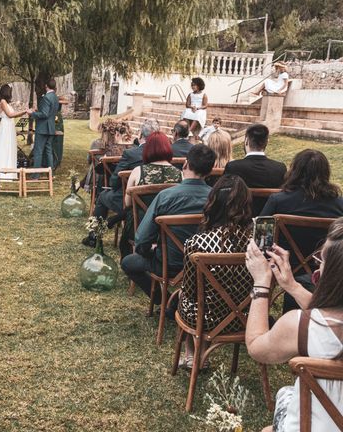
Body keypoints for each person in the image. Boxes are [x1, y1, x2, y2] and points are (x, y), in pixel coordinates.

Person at [245, 218, 343, 432]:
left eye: (323, 260)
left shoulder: (301, 326)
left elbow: (256, 347)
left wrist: (261, 283)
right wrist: (292, 286)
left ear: (335, 272)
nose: (319, 264)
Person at [121, 144, 216, 302]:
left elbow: (142, 238)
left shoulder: (165, 196)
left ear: (185, 164)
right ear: (210, 171)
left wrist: (148, 249)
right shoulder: (216, 198)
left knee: (128, 262)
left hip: (169, 264)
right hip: (205, 264)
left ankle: (161, 299)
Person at [177, 175, 253, 368]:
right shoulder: (259, 242)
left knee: (186, 297)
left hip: (206, 319)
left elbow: (191, 290)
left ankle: (191, 355)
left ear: (213, 202)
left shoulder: (197, 243)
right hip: (248, 317)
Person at [260, 149, 343, 313]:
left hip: (285, 264)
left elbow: (261, 238)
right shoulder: (340, 205)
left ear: (295, 171)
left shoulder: (278, 200)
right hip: (328, 266)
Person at [82, 118, 160, 247]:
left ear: (140, 135)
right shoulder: (164, 154)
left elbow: (114, 181)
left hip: (130, 201)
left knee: (102, 197)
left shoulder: (131, 154)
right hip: (157, 201)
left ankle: (93, 236)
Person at [119, 132, 182, 257]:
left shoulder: (138, 172)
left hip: (140, 227)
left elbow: (127, 203)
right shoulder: (180, 174)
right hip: (170, 230)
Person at [223, 123, 287, 216]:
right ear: (267, 142)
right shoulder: (280, 168)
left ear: (246, 141)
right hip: (267, 221)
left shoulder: (233, 167)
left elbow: (223, 196)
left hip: (238, 221)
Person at [30, 79, 60, 170]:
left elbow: (44, 114)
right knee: (48, 151)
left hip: (43, 129)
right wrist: (38, 111)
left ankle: (35, 175)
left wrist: (32, 113)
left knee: (38, 151)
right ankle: (50, 174)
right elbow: (49, 112)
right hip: (51, 128)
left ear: (46, 86)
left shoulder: (46, 97)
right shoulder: (55, 97)